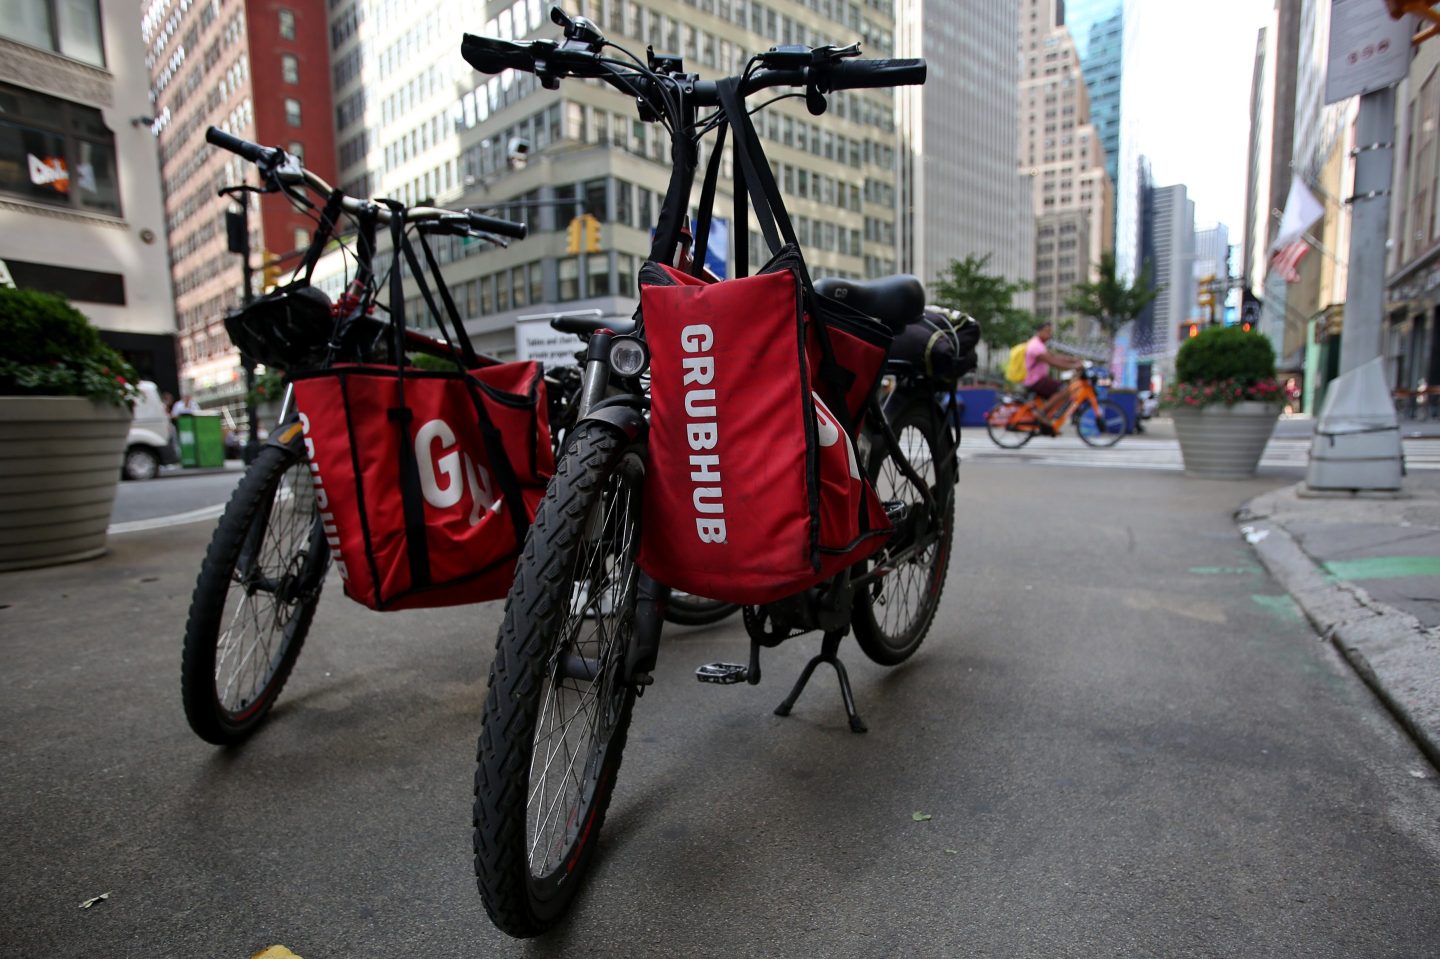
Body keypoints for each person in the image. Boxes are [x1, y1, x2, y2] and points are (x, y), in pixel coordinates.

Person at [1022, 321, 1084, 400]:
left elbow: (1054, 356)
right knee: (1064, 389)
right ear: (1039, 331)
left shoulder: (1039, 344)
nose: (1049, 334)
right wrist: (1074, 366)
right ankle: (1045, 409)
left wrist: (1073, 360)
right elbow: (1052, 362)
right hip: (1035, 381)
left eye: (1050, 332)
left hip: (1038, 380)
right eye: (1047, 331)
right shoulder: (1036, 346)